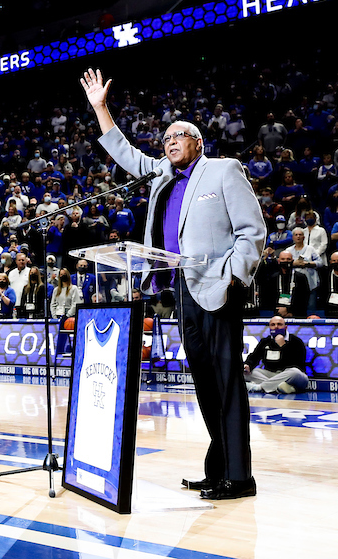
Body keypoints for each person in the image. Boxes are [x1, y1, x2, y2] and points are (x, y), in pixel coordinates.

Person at [83, 67, 265, 501]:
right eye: (165, 139)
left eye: (177, 136)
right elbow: (126, 155)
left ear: (197, 142)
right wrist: (101, 109)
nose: (169, 142)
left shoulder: (223, 170)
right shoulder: (162, 175)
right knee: (204, 381)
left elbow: (252, 229)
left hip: (217, 287)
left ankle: (240, 478)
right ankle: (219, 467)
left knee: (226, 381)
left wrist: (235, 278)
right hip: (182, 288)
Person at [244, 315, 308, 394]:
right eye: (273, 325)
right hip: (271, 375)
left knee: (295, 372)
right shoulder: (265, 341)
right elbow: (254, 357)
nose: (276, 327)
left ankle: (259, 387)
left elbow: (297, 364)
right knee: (252, 372)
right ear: (270, 327)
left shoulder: (296, 341)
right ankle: (285, 388)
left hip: (290, 376)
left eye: (279, 324)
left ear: (286, 327)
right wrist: (248, 365)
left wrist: (283, 346)